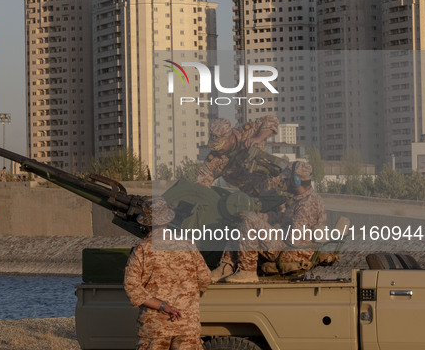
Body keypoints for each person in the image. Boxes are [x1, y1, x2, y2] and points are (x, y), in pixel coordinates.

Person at [214, 161, 327, 283]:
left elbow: (294, 239)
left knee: (250, 221)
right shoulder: (300, 200)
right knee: (245, 220)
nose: (285, 183)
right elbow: (281, 218)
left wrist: (269, 228)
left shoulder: (308, 204)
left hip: (295, 252)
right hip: (289, 246)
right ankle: (227, 265)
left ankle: (247, 271)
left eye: (288, 179)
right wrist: (260, 218)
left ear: (296, 181)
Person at [124, 197, 211, 350]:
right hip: (187, 325)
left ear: (145, 222)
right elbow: (205, 279)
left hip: (155, 328)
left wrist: (163, 305)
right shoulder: (188, 245)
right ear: (167, 219)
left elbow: (132, 289)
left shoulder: (142, 250)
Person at [197, 116, 281, 197]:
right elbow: (202, 183)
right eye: (214, 146)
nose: (217, 150)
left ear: (232, 139)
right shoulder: (213, 160)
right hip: (250, 195)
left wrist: (258, 138)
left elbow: (272, 120)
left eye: (220, 146)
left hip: (273, 181)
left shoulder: (246, 132)